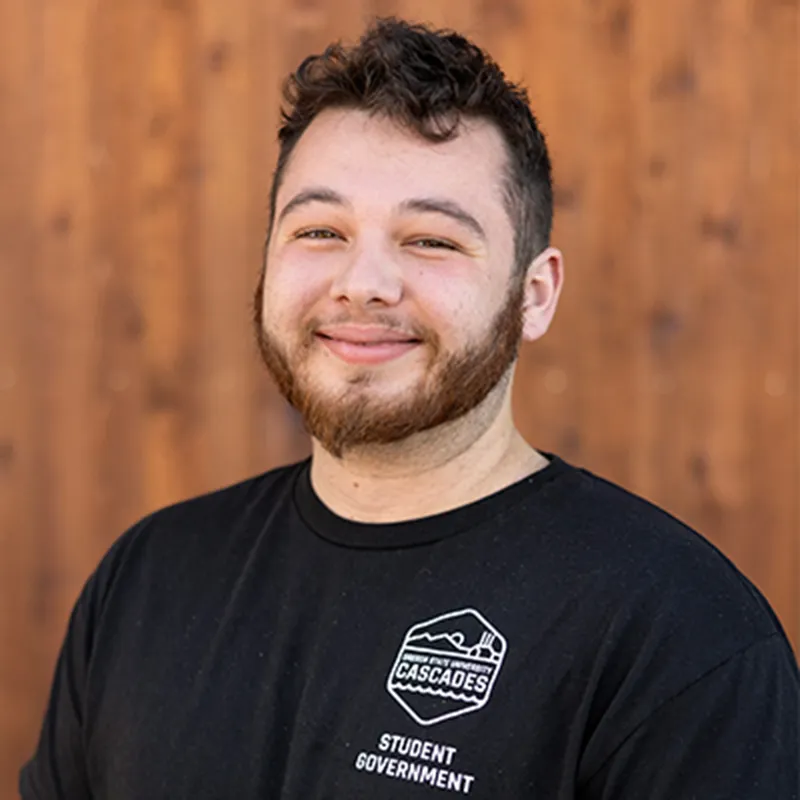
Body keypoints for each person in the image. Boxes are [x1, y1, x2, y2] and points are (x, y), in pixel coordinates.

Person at [20, 17, 798, 800]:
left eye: (430, 240)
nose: (363, 283)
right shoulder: (147, 581)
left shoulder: (681, 635)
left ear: (535, 294)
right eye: (320, 230)